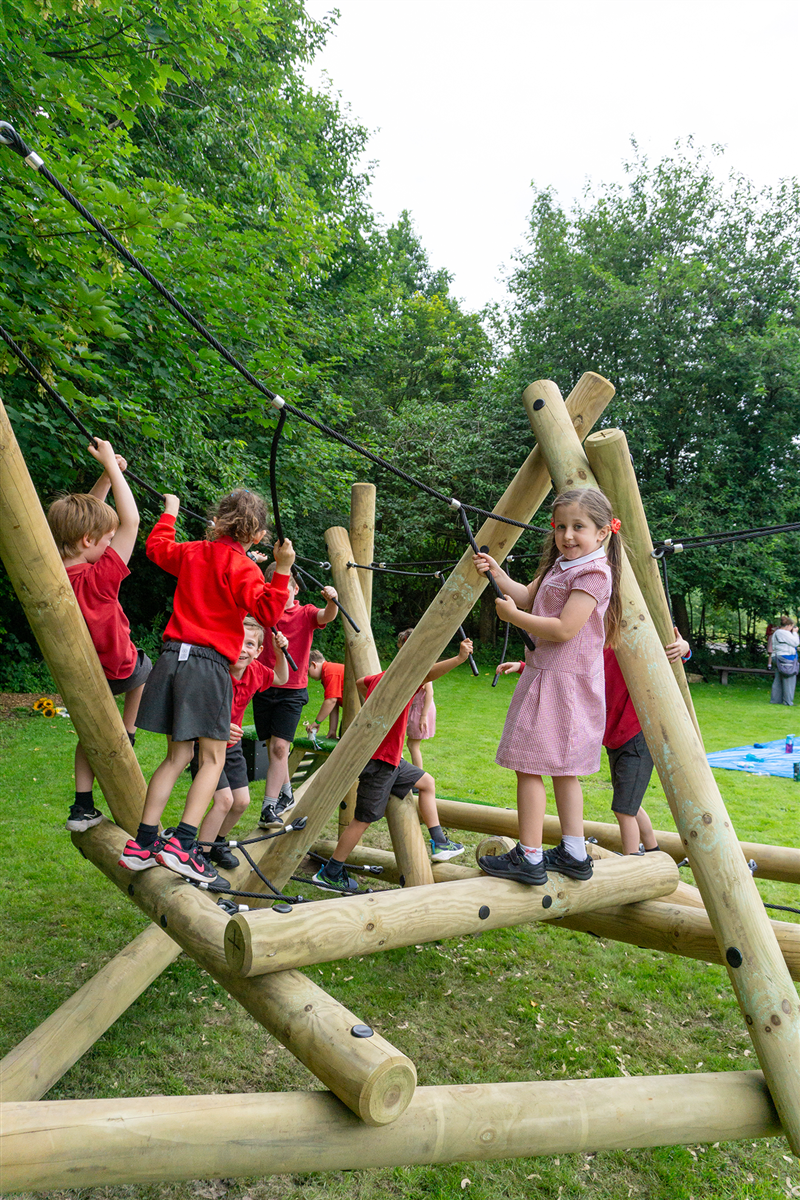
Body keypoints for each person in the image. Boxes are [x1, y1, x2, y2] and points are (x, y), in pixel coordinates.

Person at [118, 489, 294, 886]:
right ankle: (183, 845)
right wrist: (281, 569)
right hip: (207, 664)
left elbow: (157, 547)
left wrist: (170, 512)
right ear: (257, 534)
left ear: (219, 520)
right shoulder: (244, 567)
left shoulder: (195, 551)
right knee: (213, 759)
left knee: (177, 756)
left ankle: (143, 844)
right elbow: (267, 612)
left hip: (171, 658)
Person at [473, 487, 622, 886]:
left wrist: (515, 618)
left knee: (530, 766)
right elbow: (526, 596)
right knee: (562, 770)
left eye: (579, 527)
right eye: (561, 527)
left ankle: (530, 856)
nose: (567, 535)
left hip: (563, 686)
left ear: (603, 532)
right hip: (549, 679)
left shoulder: (593, 573)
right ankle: (573, 853)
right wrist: (497, 573)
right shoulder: (562, 566)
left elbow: (564, 629)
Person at [47, 439, 152, 833]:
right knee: (146, 667)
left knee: (90, 733)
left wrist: (106, 479)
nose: (112, 543)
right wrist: (111, 462)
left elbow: (79, 523)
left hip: (82, 669)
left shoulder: (56, 568)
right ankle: (129, 731)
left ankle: (82, 805)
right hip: (118, 665)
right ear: (90, 542)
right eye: (105, 540)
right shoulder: (98, 579)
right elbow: (131, 523)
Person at [312, 638, 475, 892]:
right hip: (379, 762)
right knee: (363, 819)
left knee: (427, 783)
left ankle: (440, 843)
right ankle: (331, 872)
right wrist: (459, 659)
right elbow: (431, 673)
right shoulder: (404, 679)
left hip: (393, 761)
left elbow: (358, 683)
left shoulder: (384, 676)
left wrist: (373, 705)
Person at [190, 619, 289, 870]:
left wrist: (279, 652)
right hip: (205, 744)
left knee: (241, 801)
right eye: (237, 642)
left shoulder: (256, 671)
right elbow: (193, 709)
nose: (242, 649)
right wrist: (221, 727)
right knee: (224, 801)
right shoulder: (215, 671)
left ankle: (216, 845)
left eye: (250, 644)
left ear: (258, 652)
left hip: (231, 747)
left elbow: (281, 676)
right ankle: (198, 854)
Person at [252, 565, 338, 829]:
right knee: (271, 746)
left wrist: (333, 600)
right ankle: (287, 793)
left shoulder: (305, 612)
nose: (279, 593)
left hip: (292, 690)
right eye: (273, 588)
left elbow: (327, 615)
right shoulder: (263, 612)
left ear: (295, 589)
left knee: (280, 747)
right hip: (264, 686)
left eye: (285, 588)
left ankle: (269, 807)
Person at [602, 628, 690, 854]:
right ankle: (653, 852)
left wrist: (685, 648)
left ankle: (632, 863)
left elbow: (672, 648)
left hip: (637, 735)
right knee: (628, 803)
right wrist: (525, 667)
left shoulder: (637, 637)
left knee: (624, 809)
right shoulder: (599, 645)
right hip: (614, 736)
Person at [397, 628, 436, 769]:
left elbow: (429, 691)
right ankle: (413, 778)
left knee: (412, 744)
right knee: (407, 743)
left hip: (421, 709)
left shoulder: (420, 663)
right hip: (415, 707)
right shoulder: (412, 662)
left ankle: (417, 780)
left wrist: (423, 716)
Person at [306, 649, 344, 739]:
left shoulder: (329, 672)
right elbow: (334, 704)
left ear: (314, 664)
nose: (308, 676)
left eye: (308, 672)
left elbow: (331, 701)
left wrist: (317, 722)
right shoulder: (326, 672)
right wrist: (332, 730)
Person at [770, 614, 799, 707]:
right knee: (789, 679)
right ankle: (788, 701)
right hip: (786, 658)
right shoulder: (783, 632)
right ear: (788, 626)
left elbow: (786, 644)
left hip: (778, 657)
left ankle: (776, 700)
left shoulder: (777, 632)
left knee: (778, 679)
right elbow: (796, 642)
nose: (792, 629)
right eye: (792, 627)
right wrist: (795, 633)